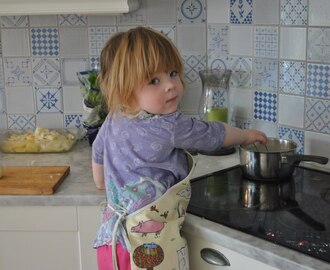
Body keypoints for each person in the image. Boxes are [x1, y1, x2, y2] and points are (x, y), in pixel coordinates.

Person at [92, 26, 267, 270]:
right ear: (124, 90)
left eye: (173, 73)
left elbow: (98, 151)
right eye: (154, 80)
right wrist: (246, 135)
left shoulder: (115, 117)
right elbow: (212, 134)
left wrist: (101, 182)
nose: (170, 85)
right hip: (149, 248)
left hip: (111, 243)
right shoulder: (169, 126)